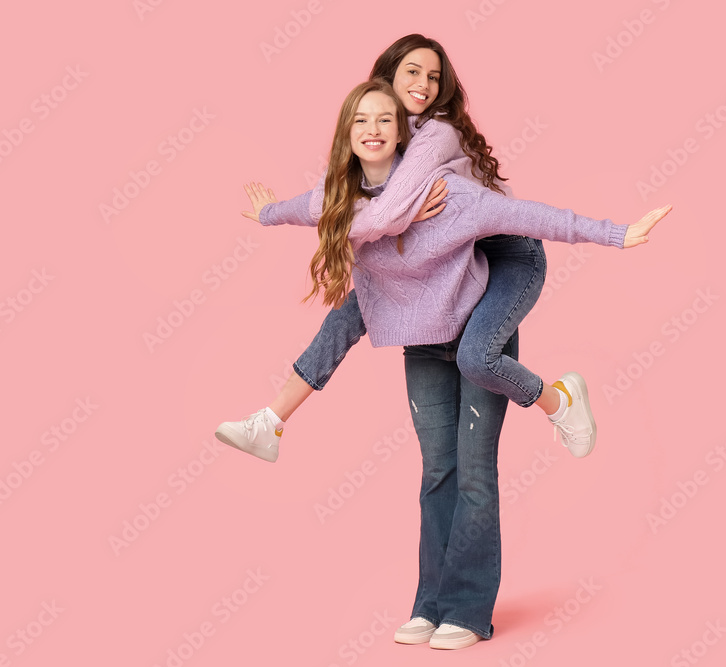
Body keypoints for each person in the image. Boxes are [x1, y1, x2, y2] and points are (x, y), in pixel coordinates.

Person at [236, 78, 670, 649]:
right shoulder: (344, 201)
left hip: (475, 327)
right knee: (436, 471)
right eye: (360, 121)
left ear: (403, 137)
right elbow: (299, 209)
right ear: (347, 134)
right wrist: (265, 211)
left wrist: (617, 234)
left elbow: (537, 218)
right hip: (424, 336)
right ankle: (430, 603)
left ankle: (467, 609)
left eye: (384, 121)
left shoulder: (446, 193)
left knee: (473, 473)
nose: (371, 130)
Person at [217, 34, 626, 465]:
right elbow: (316, 203)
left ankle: (559, 401)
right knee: (349, 314)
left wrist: (615, 233)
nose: (424, 84)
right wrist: (269, 213)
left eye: (433, 76)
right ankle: (271, 422)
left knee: (476, 359)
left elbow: (385, 217)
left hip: (505, 248)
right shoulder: (377, 141)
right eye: (413, 72)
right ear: (386, 78)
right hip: (443, 256)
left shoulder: (435, 134)